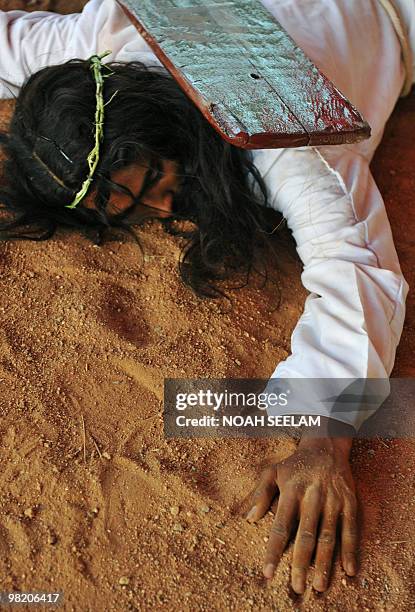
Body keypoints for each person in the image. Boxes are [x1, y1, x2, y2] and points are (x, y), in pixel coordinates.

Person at [0, 0, 413, 595]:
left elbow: (357, 269)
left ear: (163, 121)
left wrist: (324, 440)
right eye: (131, 213)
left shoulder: (288, 137)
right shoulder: (99, 48)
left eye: (158, 181)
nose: (166, 211)